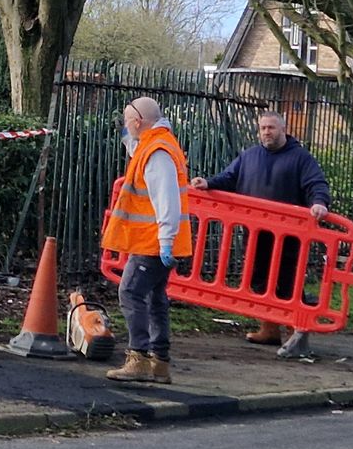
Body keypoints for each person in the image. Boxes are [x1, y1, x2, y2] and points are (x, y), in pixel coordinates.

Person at [189, 110, 330, 346]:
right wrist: (208, 183)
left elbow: (316, 183)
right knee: (258, 279)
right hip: (255, 232)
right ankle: (269, 328)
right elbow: (229, 177)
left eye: (271, 128)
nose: (266, 132)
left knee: (288, 282)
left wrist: (319, 202)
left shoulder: (301, 158)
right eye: (263, 128)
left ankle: (299, 329)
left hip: (289, 235)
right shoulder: (250, 156)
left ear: (284, 129)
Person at [101, 96, 193, 385]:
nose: (125, 127)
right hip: (156, 242)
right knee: (155, 299)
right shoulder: (158, 145)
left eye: (128, 122)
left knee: (130, 293)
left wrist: (166, 240)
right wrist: (127, 137)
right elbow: (137, 153)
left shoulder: (157, 151)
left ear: (138, 122)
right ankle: (159, 363)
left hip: (152, 243)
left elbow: (166, 200)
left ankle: (138, 358)